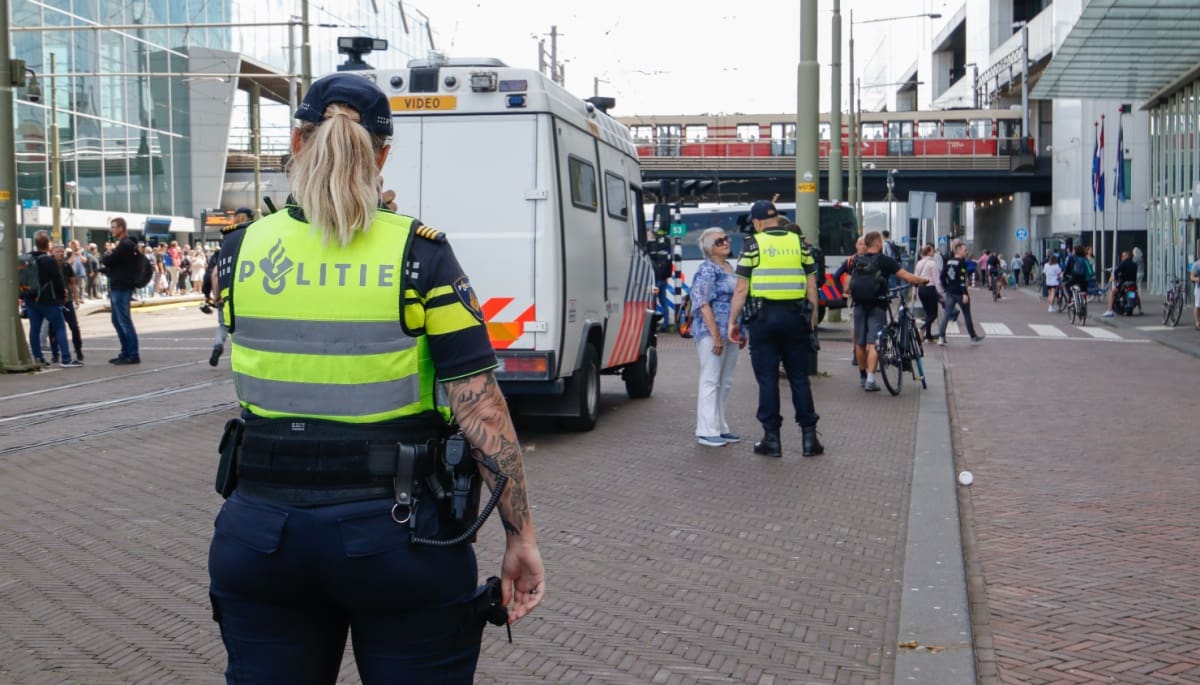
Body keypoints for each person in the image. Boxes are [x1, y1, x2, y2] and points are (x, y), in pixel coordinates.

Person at [207, 73, 544, 683]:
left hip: (261, 537)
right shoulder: (420, 256)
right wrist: (520, 534)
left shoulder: (237, 253)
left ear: (297, 140)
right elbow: (482, 412)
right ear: (383, 153)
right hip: (398, 536)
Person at [727, 199, 823, 458]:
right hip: (795, 318)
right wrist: (811, 320)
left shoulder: (753, 245)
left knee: (767, 379)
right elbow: (812, 286)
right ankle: (809, 440)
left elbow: (741, 288)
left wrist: (732, 322)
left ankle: (772, 440)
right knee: (799, 378)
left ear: (757, 222)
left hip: (763, 319)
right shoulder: (799, 243)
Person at [848, 231, 928, 392]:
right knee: (874, 343)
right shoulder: (885, 261)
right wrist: (922, 280)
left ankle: (863, 376)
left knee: (860, 343)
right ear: (878, 244)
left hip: (858, 305)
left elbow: (850, 281)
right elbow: (906, 276)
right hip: (877, 305)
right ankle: (871, 380)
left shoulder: (857, 260)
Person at [690, 227, 745, 447]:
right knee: (711, 379)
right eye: (719, 241)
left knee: (726, 381)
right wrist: (715, 336)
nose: (725, 242)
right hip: (713, 333)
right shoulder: (707, 270)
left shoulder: (730, 268)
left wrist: (741, 331)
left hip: (730, 332)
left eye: (726, 238)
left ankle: (720, 426)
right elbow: (702, 303)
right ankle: (706, 430)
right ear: (709, 249)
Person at [22, 232, 82, 368]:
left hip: (31, 299)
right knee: (59, 326)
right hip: (48, 300)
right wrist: (62, 296)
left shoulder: (28, 259)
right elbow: (57, 280)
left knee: (34, 329)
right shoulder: (49, 260)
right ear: (48, 245)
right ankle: (66, 359)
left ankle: (38, 358)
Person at [206, 207, 255, 366]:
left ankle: (218, 344)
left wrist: (212, 294)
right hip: (245, 292)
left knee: (223, 324)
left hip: (224, 292)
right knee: (244, 327)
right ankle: (242, 358)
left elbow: (213, 273)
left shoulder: (227, 240)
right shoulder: (253, 238)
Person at [101, 217, 141, 364]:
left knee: (123, 321)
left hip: (122, 287)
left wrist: (108, 256)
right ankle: (126, 352)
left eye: (114, 227)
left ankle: (132, 354)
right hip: (119, 285)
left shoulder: (125, 244)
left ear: (121, 228)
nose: (112, 230)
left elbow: (108, 260)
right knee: (117, 320)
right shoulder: (125, 245)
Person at [936, 241, 985, 345]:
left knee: (946, 315)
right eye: (965, 250)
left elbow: (942, 276)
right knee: (967, 314)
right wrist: (965, 294)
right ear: (958, 251)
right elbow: (962, 279)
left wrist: (945, 287)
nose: (966, 252)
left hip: (950, 292)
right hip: (960, 293)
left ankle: (941, 337)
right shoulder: (961, 262)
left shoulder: (949, 262)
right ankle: (973, 336)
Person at [913, 245, 943, 342]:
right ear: (929, 252)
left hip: (921, 290)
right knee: (933, 314)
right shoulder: (932, 264)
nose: (933, 252)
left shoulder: (919, 263)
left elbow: (915, 278)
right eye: (932, 251)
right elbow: (936, 280)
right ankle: (921, 329)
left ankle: (928, 335)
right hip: (930, 289)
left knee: (928, 313)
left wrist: (914, 292)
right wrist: (940, 292)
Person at [1102, 250, 1138, 317]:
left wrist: (1115, 278)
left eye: (1123, 256)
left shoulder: (1123, 263)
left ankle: (1109, 310)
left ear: (1127, 256)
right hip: (1133, 283)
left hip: (1124, 282)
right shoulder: (1134, 264)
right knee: (1135, 293)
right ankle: (1140, 309)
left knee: (1112, 292)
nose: (1122, 257)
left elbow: (1117, 271)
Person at [1191, 255, 1200, 330]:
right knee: (1198, 305)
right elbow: (1192, 277)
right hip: (1199, 288)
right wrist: (1198, 279)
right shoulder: (1197, 264)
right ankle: (1197, 322)